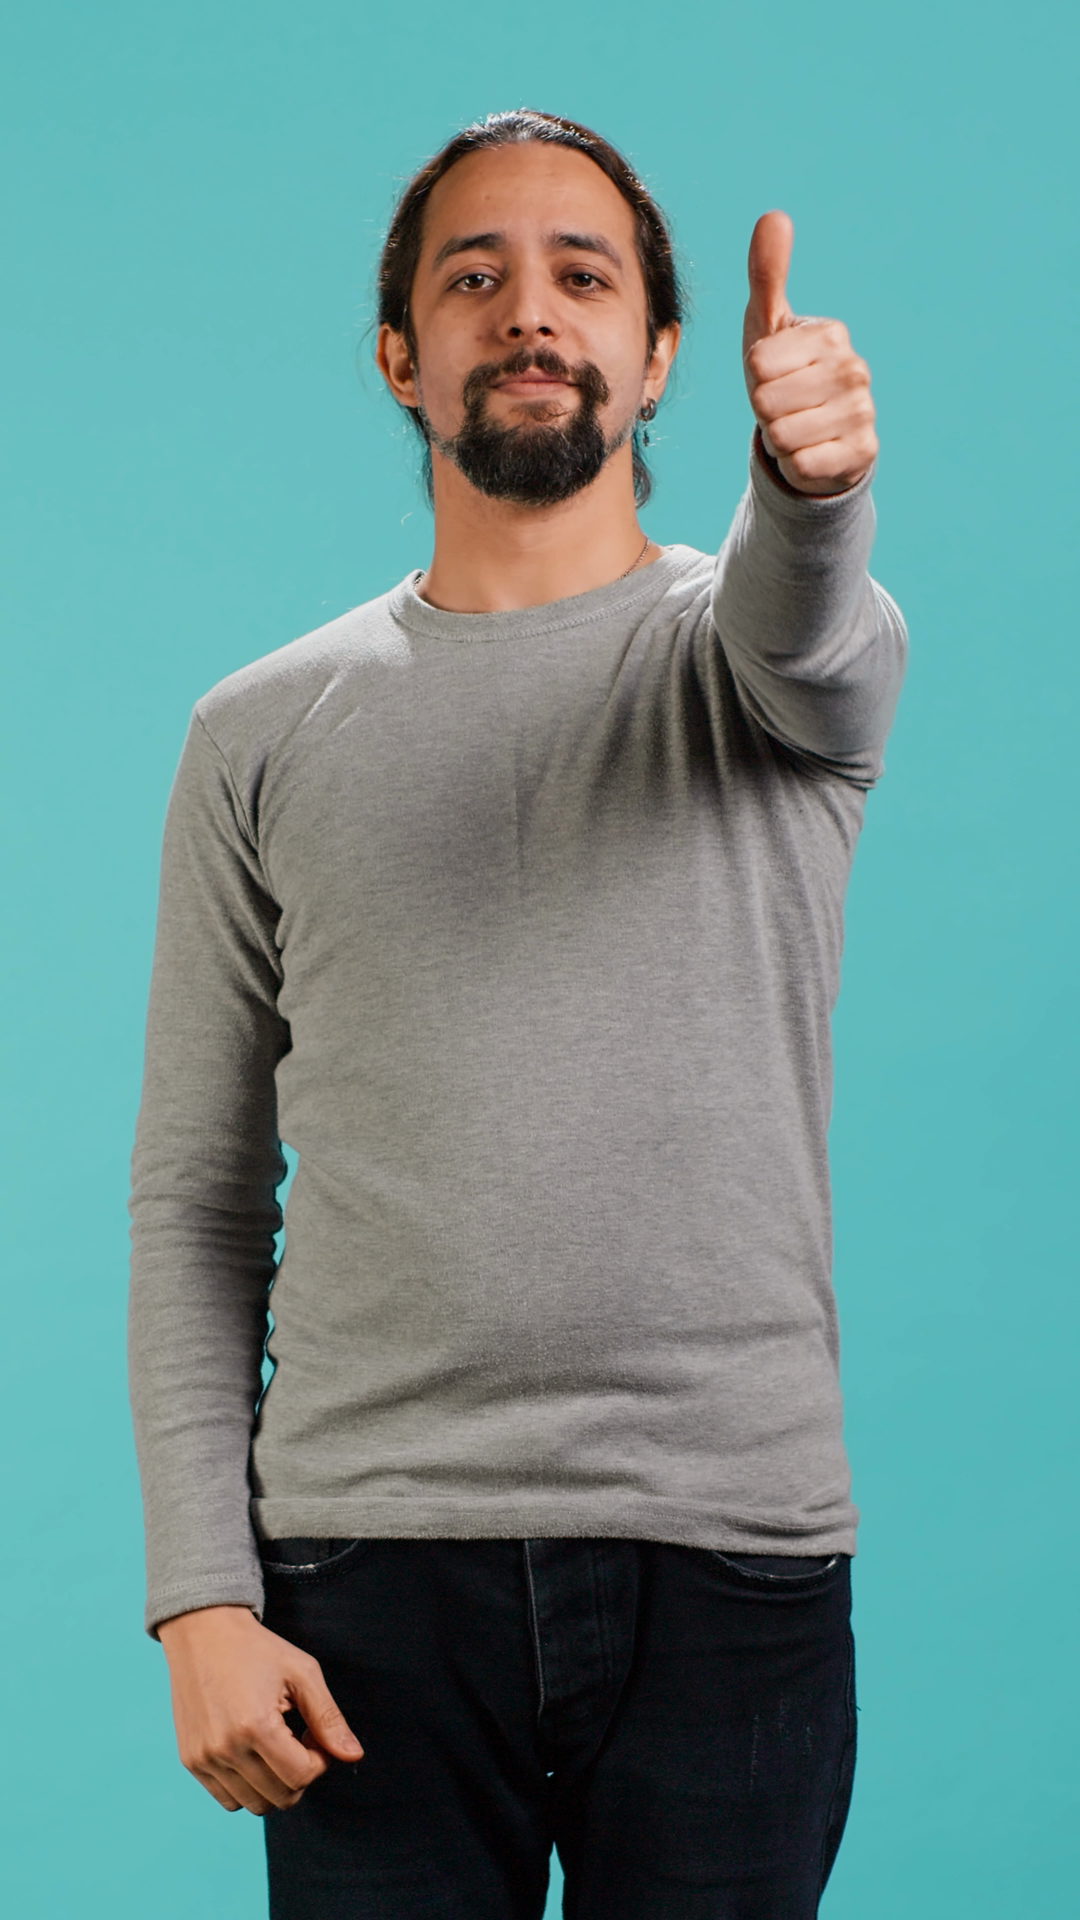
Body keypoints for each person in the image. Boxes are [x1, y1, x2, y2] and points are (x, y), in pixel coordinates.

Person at [129, 108, 906, 1920]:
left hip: (729, 1566)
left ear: (663, 354)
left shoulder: (776, 671)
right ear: (399, 357)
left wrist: (811, 486)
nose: (530, 310)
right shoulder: (256, 732)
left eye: (583, 275)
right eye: (472, 277)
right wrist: (201, 1596)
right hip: (361, 1581)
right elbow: (196, 1196)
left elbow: (805, 618)